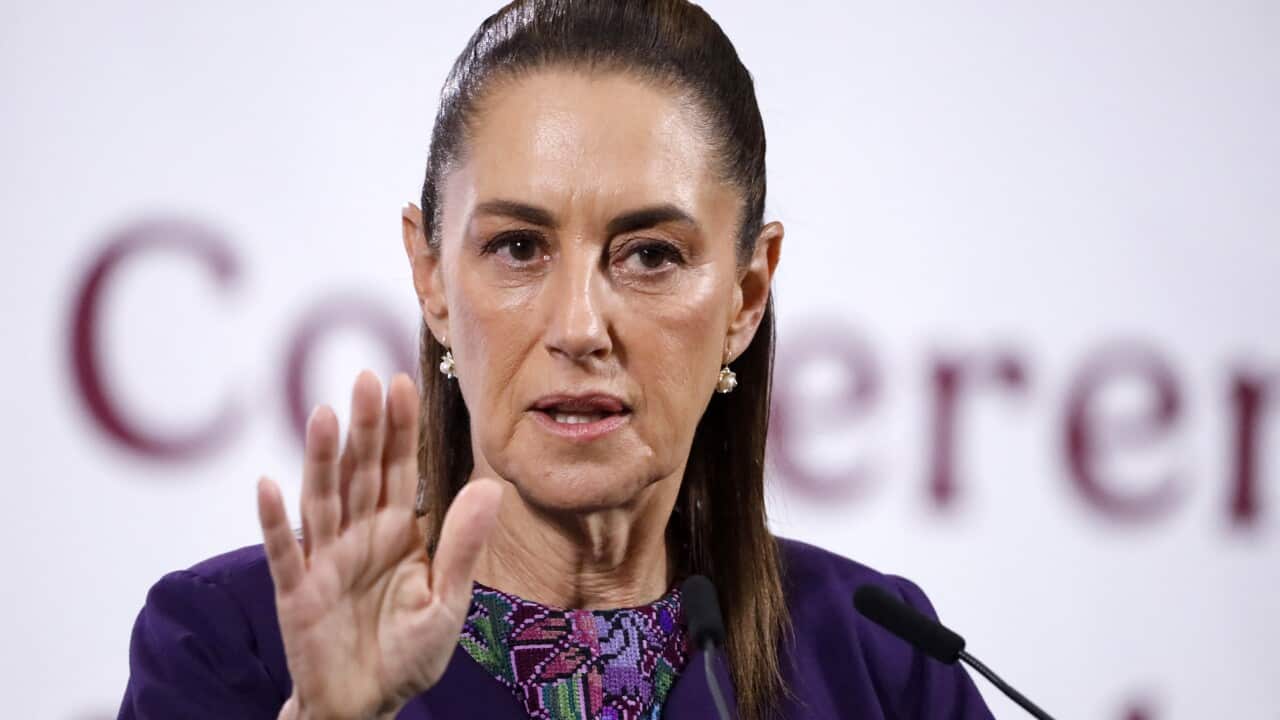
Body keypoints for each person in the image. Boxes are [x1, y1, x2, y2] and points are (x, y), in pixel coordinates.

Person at [118, 1, 994, 718]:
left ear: (746, 295)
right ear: (431, 277)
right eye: (517, 247)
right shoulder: (231, 643)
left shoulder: (882, 665)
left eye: (650, 255)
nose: (579, 328)